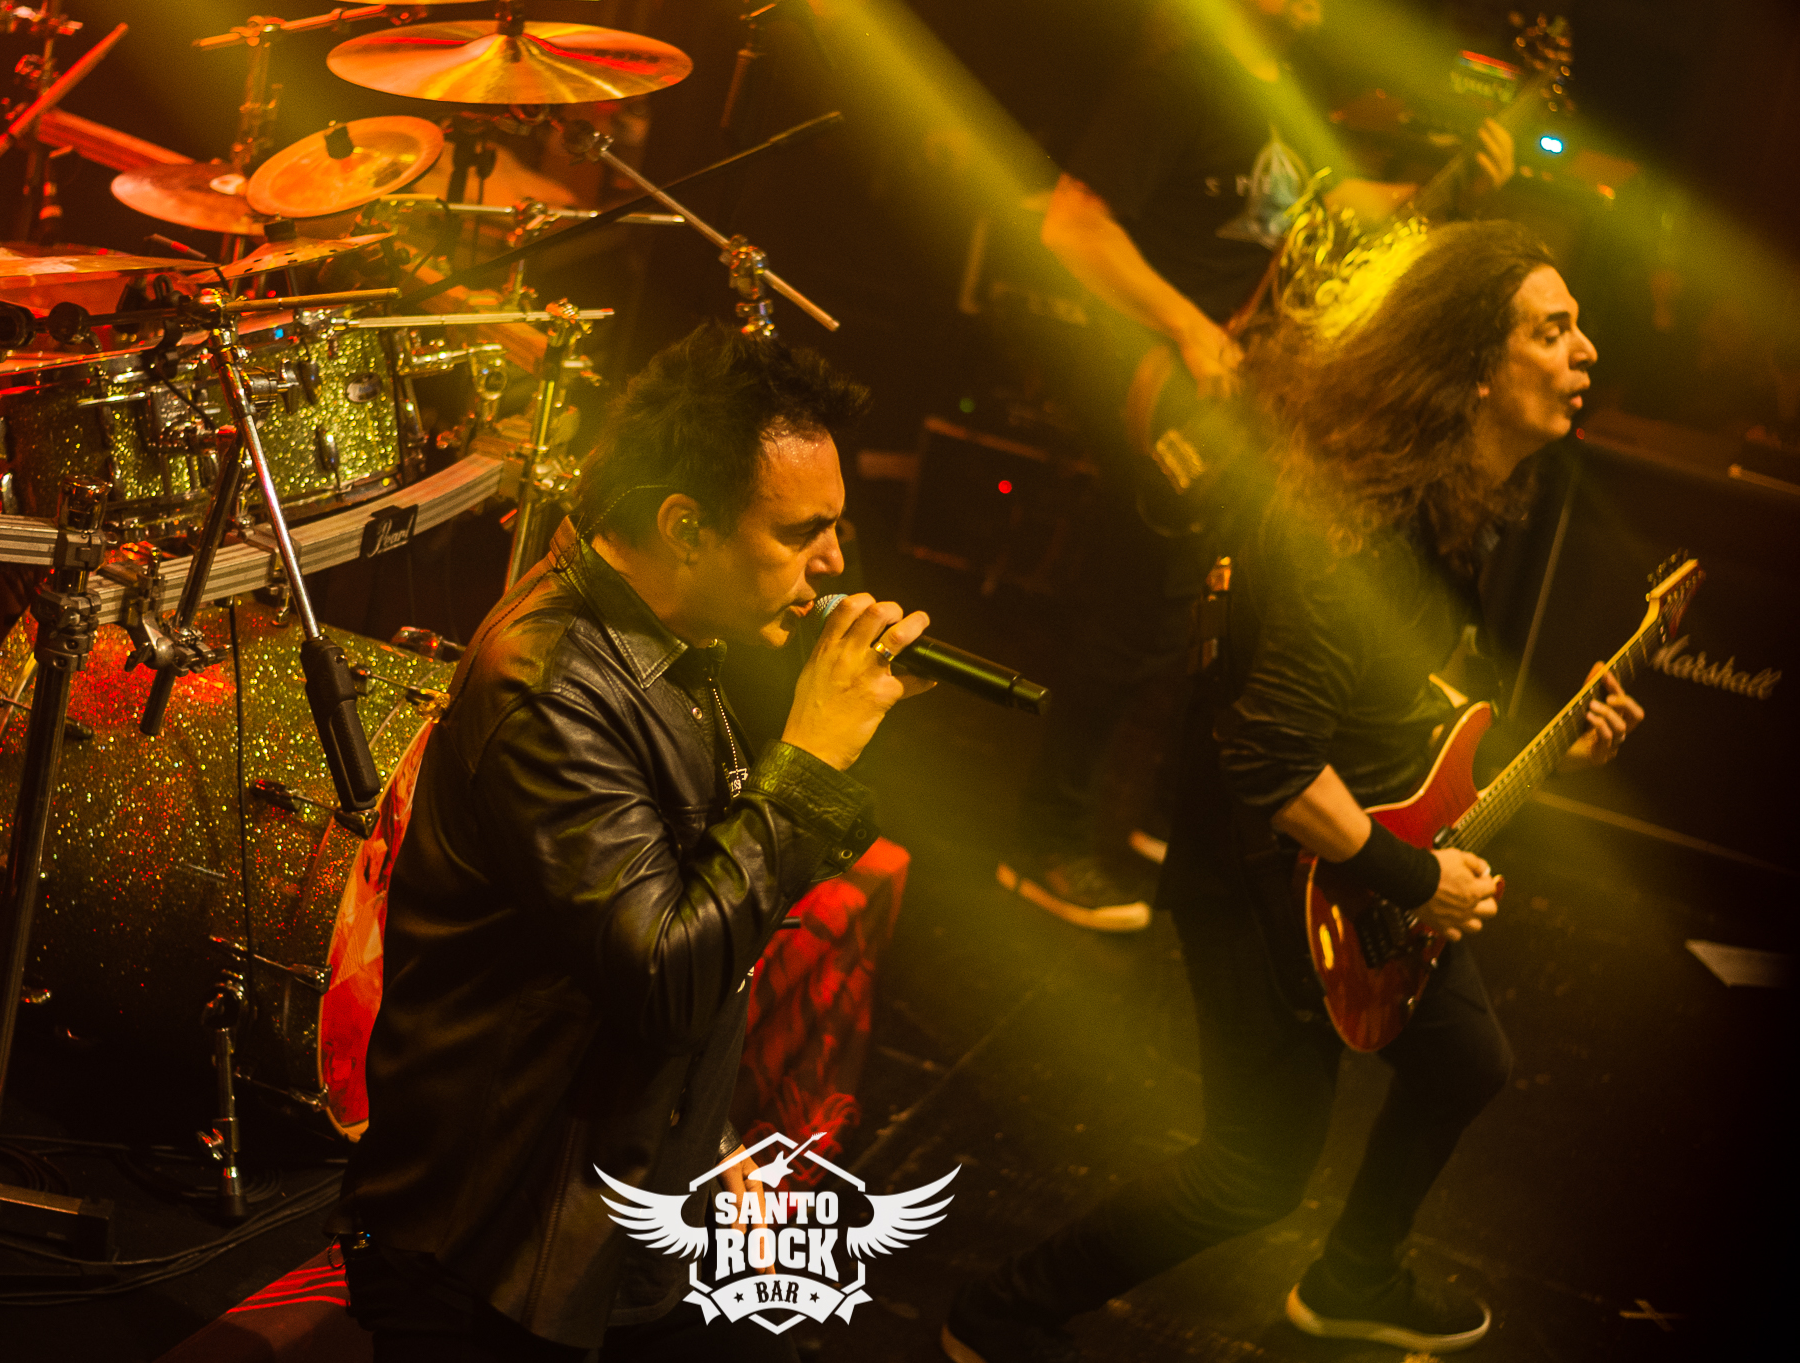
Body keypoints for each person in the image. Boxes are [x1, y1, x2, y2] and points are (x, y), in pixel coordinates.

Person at [943, 221, 1639, 1361]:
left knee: (1464, 1062)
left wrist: (1551, 748)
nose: (1584, 350)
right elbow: (1266, 760)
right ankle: (996, 1312)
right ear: (1474, 363)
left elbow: (1391, 714)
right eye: (1551, 329)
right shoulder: (1357, 536)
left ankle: (1354, 1277)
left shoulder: (1450, 503)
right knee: (1254, 1170)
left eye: (1577, 328)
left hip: (1349, 858)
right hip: (1259, 880)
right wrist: (1417, 878)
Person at [329, 322, 935, 1361]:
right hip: (497, 1250)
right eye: (802, 531)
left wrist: (711, 1143)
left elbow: (696, 904)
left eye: (836, 527)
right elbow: (664, 976)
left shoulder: (670, 636)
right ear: (685, 524)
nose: (835, 562)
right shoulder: (549, 685)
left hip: (610, 1202)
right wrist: (809, 754)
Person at [998, 0, 1514, 932]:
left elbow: (1333, 217)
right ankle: (1041, 843)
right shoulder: (1177, 79)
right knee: (1128, 623)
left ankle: (1155, 818)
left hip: (1243, 404)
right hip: (1162, 392)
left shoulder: (1282, 95)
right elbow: (1070, 227)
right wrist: (1189, 328)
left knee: (1210, 628)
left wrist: (1455, 185)